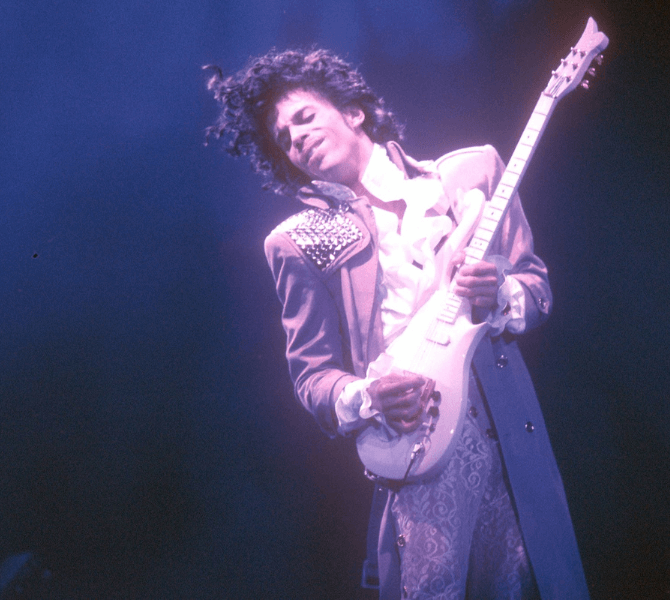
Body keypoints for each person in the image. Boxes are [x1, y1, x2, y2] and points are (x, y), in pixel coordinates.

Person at [206, 48, 588, 599]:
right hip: (418, 436)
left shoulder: (469, 174)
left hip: (506, 425)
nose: (298, 140)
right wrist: (371, 397)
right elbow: (313, 378)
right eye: (285, 140)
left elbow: (536, 289)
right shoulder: (296, 241)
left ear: (353, 112)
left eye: (305, 118)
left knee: (526, 584)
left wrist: (500, 290)